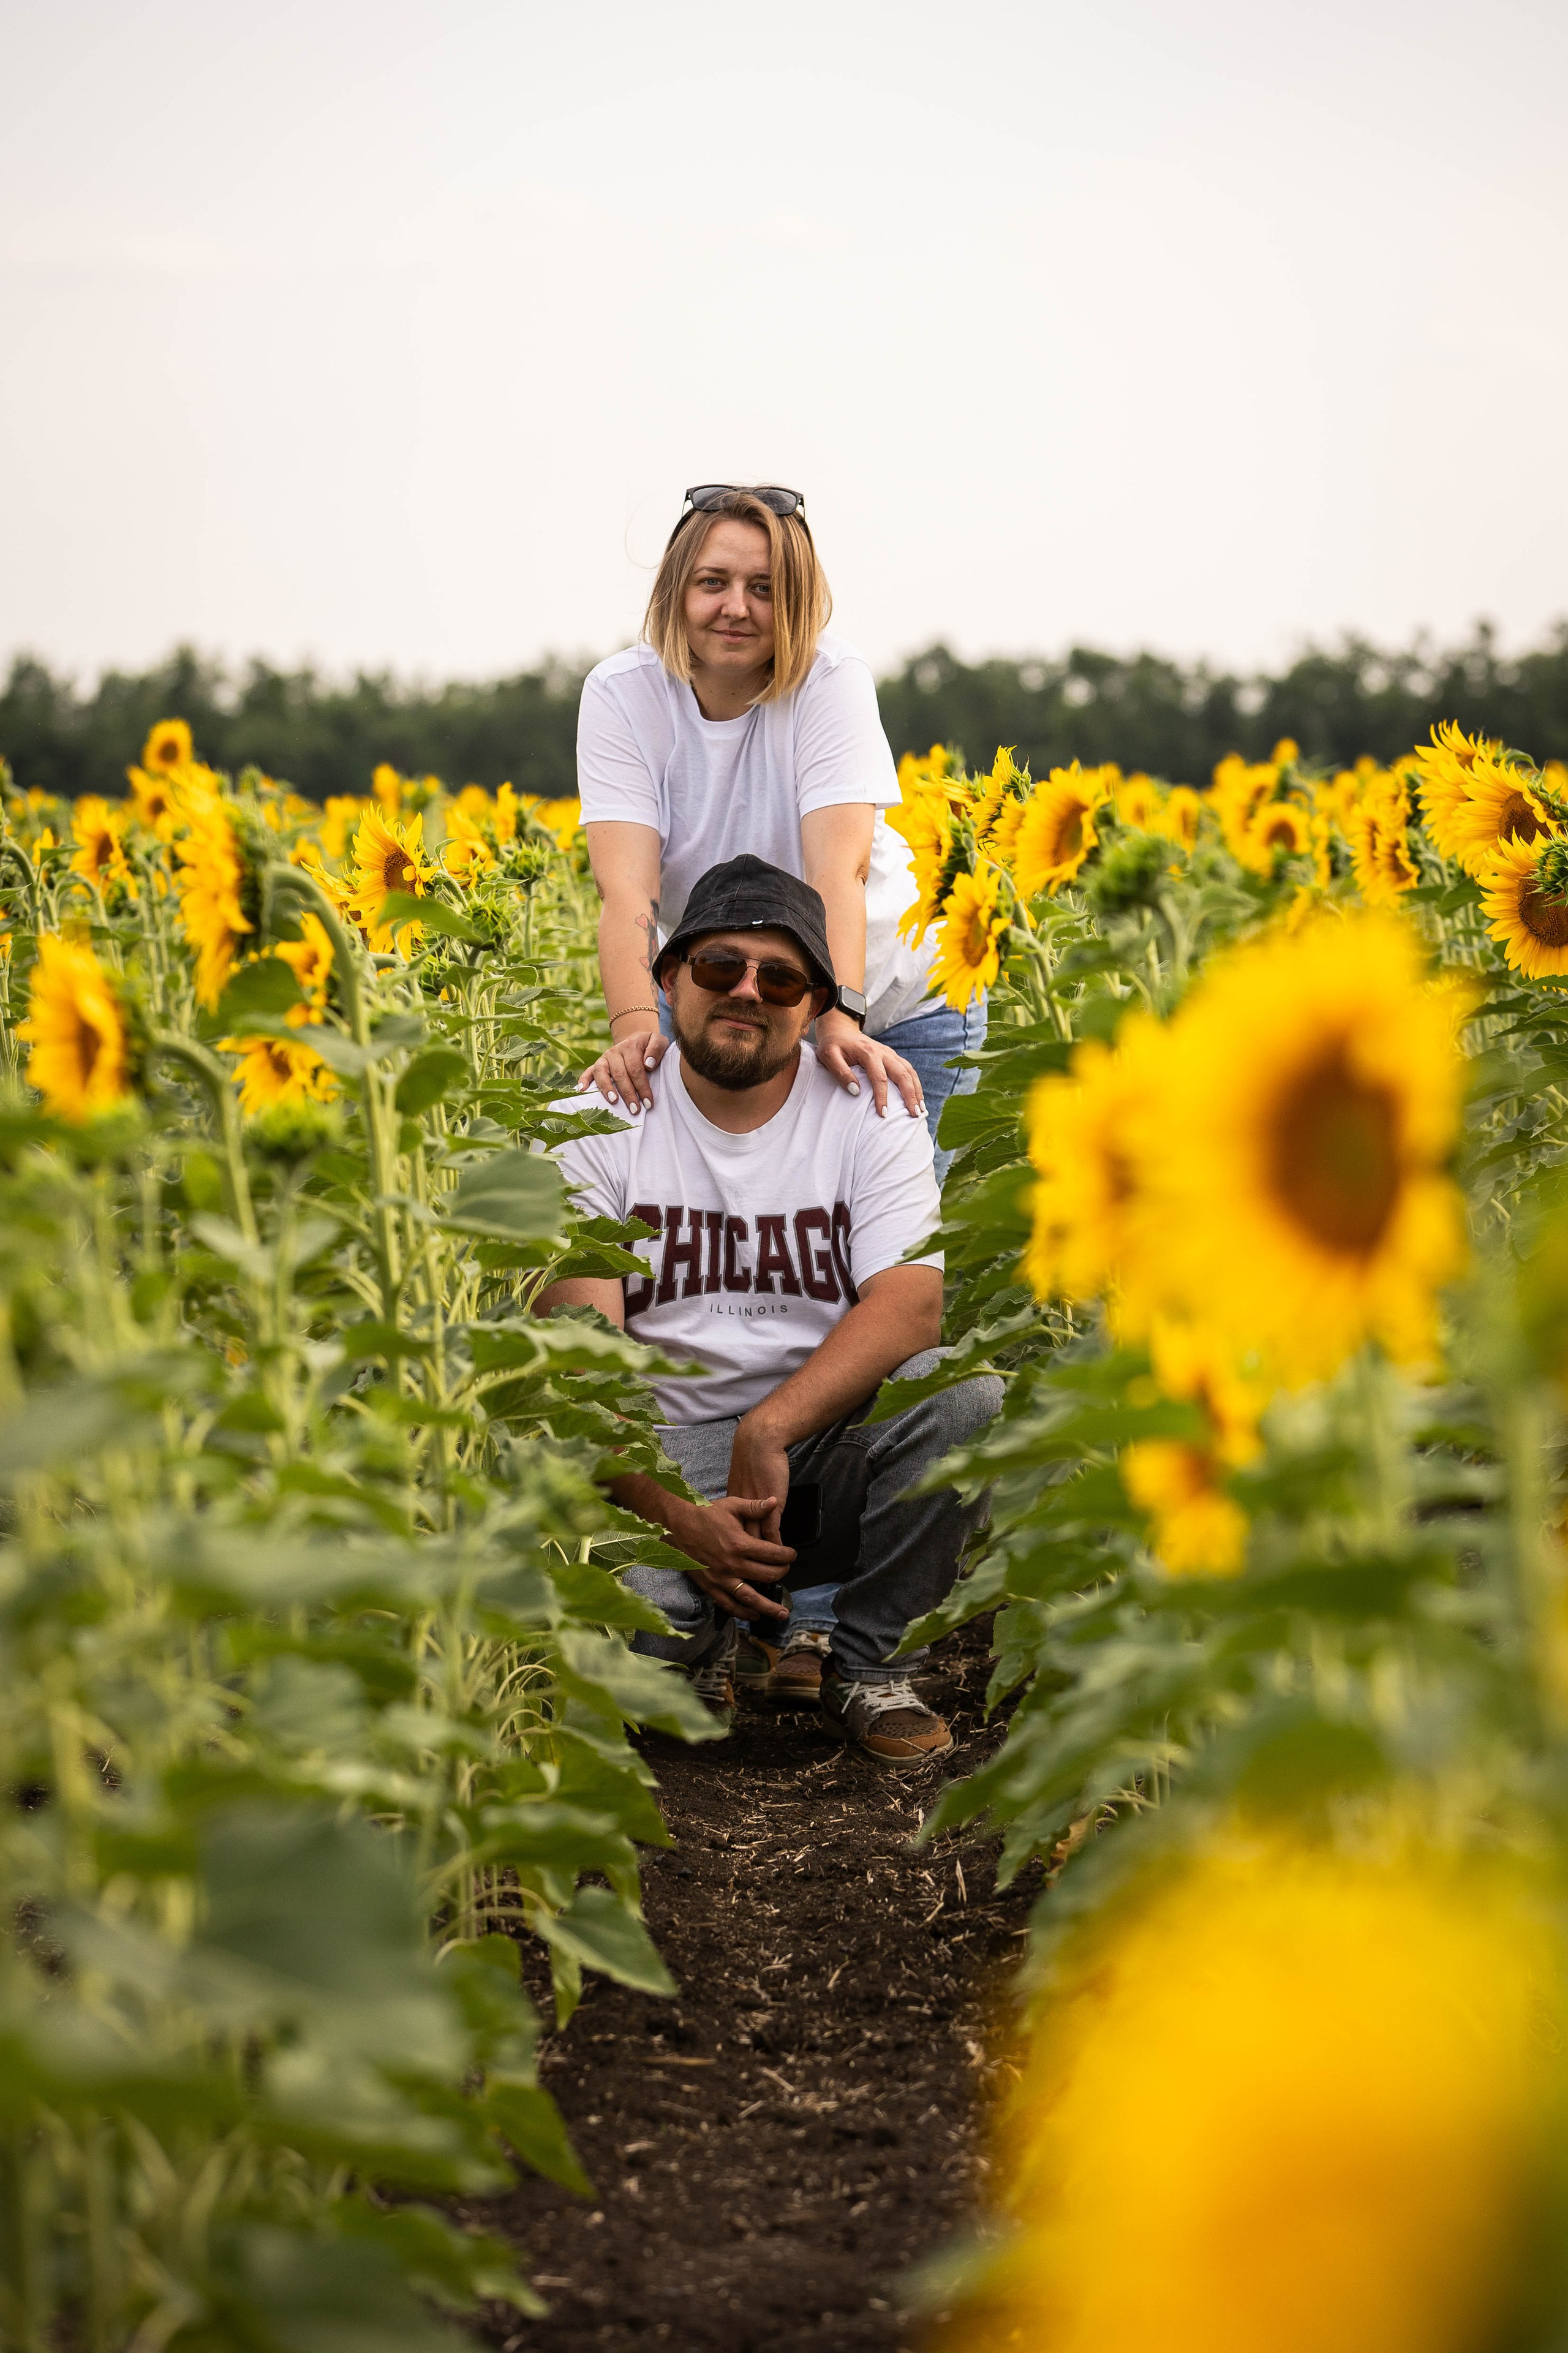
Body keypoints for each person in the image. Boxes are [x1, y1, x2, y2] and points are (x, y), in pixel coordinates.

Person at [540, 855, 1001, 1767]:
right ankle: (701, 1640)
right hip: (658, 1450)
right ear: (669, 979)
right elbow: (579, 1363)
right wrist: (678, 1513)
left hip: (819, 1449)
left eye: (781, 977)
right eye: (719, 967)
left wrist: (771, 1426)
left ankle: (868, 1663)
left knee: (965, 1400)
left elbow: (912, 1311)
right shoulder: (593, 1121)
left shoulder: (872, 1109)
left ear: (817, 1003)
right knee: (645, 1655)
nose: (747, 992)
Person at [573, 484, 986, 1182]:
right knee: (728, 1249)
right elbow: (628, 891)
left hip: (891, 1007)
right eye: (713, 583)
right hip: (731, 1002)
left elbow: (839, 872)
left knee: (883, 1249)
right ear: (676, 589)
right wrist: (639, 1034)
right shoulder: (621, 694)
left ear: (793, 601)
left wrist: (838, 1020)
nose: (736, 607)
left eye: (763, 588)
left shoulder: (830, 680)